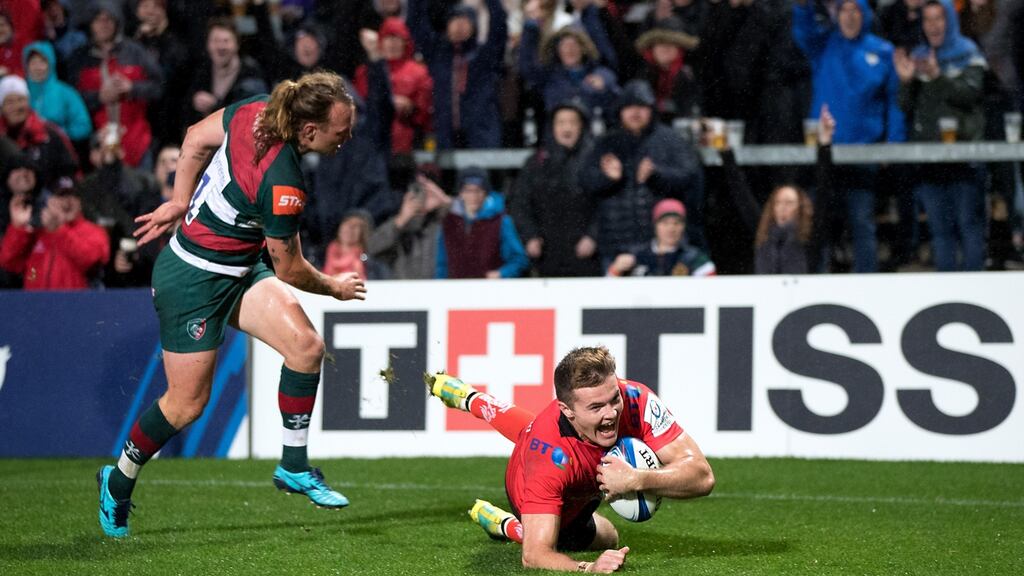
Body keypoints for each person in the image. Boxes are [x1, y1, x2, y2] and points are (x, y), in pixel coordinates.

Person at [96, 71, 367, 539]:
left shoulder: (256, 108)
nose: (348, 137)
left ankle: (294, 467)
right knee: (186, 405)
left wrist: (180, 199)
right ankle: (118, 479)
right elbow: (291, 270)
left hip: (238, 268)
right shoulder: (284, 183)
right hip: (192, 281)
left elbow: (194, 138)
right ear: (309, 131)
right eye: (341, 131)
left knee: (305, 347)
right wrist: (335, 288)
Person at [425, 346, 715, 573]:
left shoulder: (636, 398)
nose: (612, 413)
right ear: (567, 409)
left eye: (613, 398)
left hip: (562, 444)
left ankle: (471, 398)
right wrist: (589, 567)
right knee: (607, 536)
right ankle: (509, 525)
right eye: (596, 406)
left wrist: (638, 479)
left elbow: (703, 476)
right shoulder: (548, 457)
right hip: (535, 480)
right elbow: (535, 556)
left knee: (532, 428)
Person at [793, 0, 906, 273]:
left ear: (865, 14)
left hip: (862, 154)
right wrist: (803, 7)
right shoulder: (823, 45)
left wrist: (894, 142)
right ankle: (815, 280)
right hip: (825, 152)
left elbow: (894, 102)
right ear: (836, 15)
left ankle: (866, 283)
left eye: (856, 10)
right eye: (844, 10)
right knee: (818, 223)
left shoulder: (882, 51)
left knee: (861, 223)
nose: (850, 16)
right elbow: (803, 31)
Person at [894, 0, 988, 271]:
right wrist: (905, 82)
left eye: (939, 19)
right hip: (930, 159)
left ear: (950, 20)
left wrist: (937, 77)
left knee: (969, 226)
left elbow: (970, 94)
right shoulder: (921, 57)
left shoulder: (968, 53)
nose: (933, 25)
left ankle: (975, 288)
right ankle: (948, 290)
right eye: (928, 20)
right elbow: (907, 107)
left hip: (965, 156)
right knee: (940, 230)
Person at [578, 79, 705, 265]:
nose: (635, 113)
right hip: (615, 244)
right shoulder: (606, 143)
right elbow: (585, 181)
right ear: (620, 111)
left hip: (661, 246)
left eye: (641, 107)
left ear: (652, 110)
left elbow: (690, 177)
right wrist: (607, 178)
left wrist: (657, 175)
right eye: (629, 107)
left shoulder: (670, 140)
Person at [719, 105, 836, 274]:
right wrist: (726, 152)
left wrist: (824, 144)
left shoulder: (810, 235)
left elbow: (824, 189)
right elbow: (741, 194)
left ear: (801, 208)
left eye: (789, 203)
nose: (783, 207)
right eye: (778, 202)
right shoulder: (764, 233)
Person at [510, 98, 601, 277]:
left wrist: (593, 236)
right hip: (547, 255)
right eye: (560, 123)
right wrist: (530, 236)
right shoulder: (536, 163)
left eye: (572, 122)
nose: (566, 129)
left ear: (581, 126)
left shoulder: (595, 160)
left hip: (587, 254)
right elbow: (519, 203)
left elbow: (605, 203)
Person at [67, 1, 163, 168]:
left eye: (108, 19)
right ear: (91, 23)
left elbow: (159, 86)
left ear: (117, 22)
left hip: (137, 138)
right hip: (97, 142)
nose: (104, 25)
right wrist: (99, 97)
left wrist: (132, 88)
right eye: (98, 20)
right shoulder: (79, 58)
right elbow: (71, 99)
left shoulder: (136, 52)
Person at [0, 168, 110, 290]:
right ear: (49, 201)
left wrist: (59, 230)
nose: (67, 202)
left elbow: (91, 261)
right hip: (35, 305)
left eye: (72, 196)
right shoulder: (38, 233)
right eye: (60, 196)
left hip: (76, 305)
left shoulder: (94, 231)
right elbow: (9, 263)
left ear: (80, 202)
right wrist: (18, 228)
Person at [436, 166, 529, 279]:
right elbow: (441, 264)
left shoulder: (499, 221)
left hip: (489, 290)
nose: (473, 196)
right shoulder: (449, 222)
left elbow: (519, 259)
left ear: (486, 193)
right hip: (457, 290)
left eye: (478, 190)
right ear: (460, 193)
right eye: (468, 190)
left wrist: (502, 274)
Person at [606, 198, 716, 277]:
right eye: (665, 223)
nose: (671, 229)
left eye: (676, 223)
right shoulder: (637, 256)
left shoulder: (694, 258)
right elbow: (606, 292)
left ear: (683, 227)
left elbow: (712, 289)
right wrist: (616, 269)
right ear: (655, 226)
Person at [22, 41, 92, 143]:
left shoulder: (66, 92)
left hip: (56, 150)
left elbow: (84, 126)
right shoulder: (20, 92)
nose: (38, 67)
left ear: (51, 63)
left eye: (42, 62)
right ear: (26, 66)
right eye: (33, 62)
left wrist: (60, 134)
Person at [321, 209, 391, 279]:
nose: (350, 227)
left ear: (364, 233)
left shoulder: (374, 266)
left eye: (358, 225)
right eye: (347, 222)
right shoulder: (320, 256)